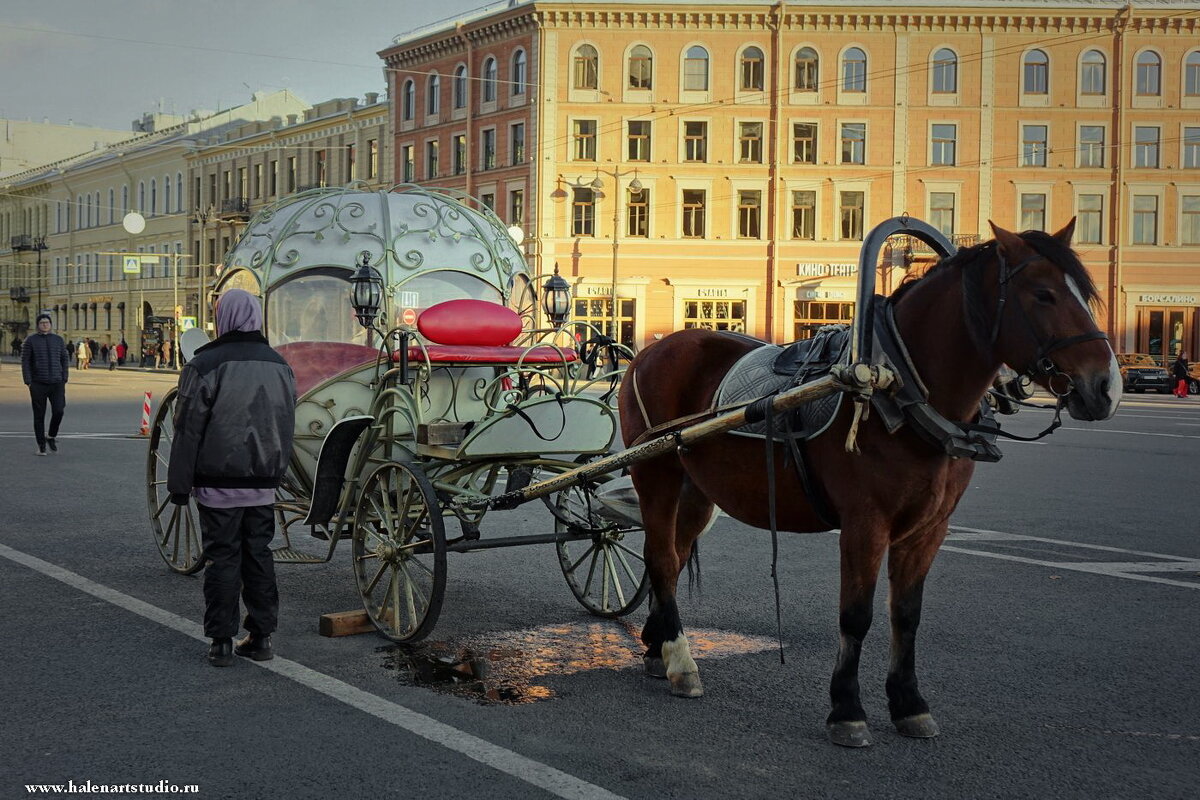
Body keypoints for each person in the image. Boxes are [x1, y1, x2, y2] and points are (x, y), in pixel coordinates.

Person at [167, 289, 296, 667]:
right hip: (262, 481)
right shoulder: (279, 364)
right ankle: (261, 637)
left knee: (222, 558)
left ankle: (221, 642)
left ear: (222, 318)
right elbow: (286, 423)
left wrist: (178, 485)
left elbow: (187, 428)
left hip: (217, 481)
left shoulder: (204, 364)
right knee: (258, 555)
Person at [20, 313, 71, 456]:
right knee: (39, 415)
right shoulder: (31, 341)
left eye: (47, 322)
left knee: (59, 410)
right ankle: (41, 445)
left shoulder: (58, 340)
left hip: (56, 383)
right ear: (38, 325)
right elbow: (25, 361)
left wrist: (64, 377)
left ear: (50, 324)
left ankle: (51, 436)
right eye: (42, 323)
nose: (44, 325)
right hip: (38, 383)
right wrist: (28, 381)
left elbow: (64, 359)